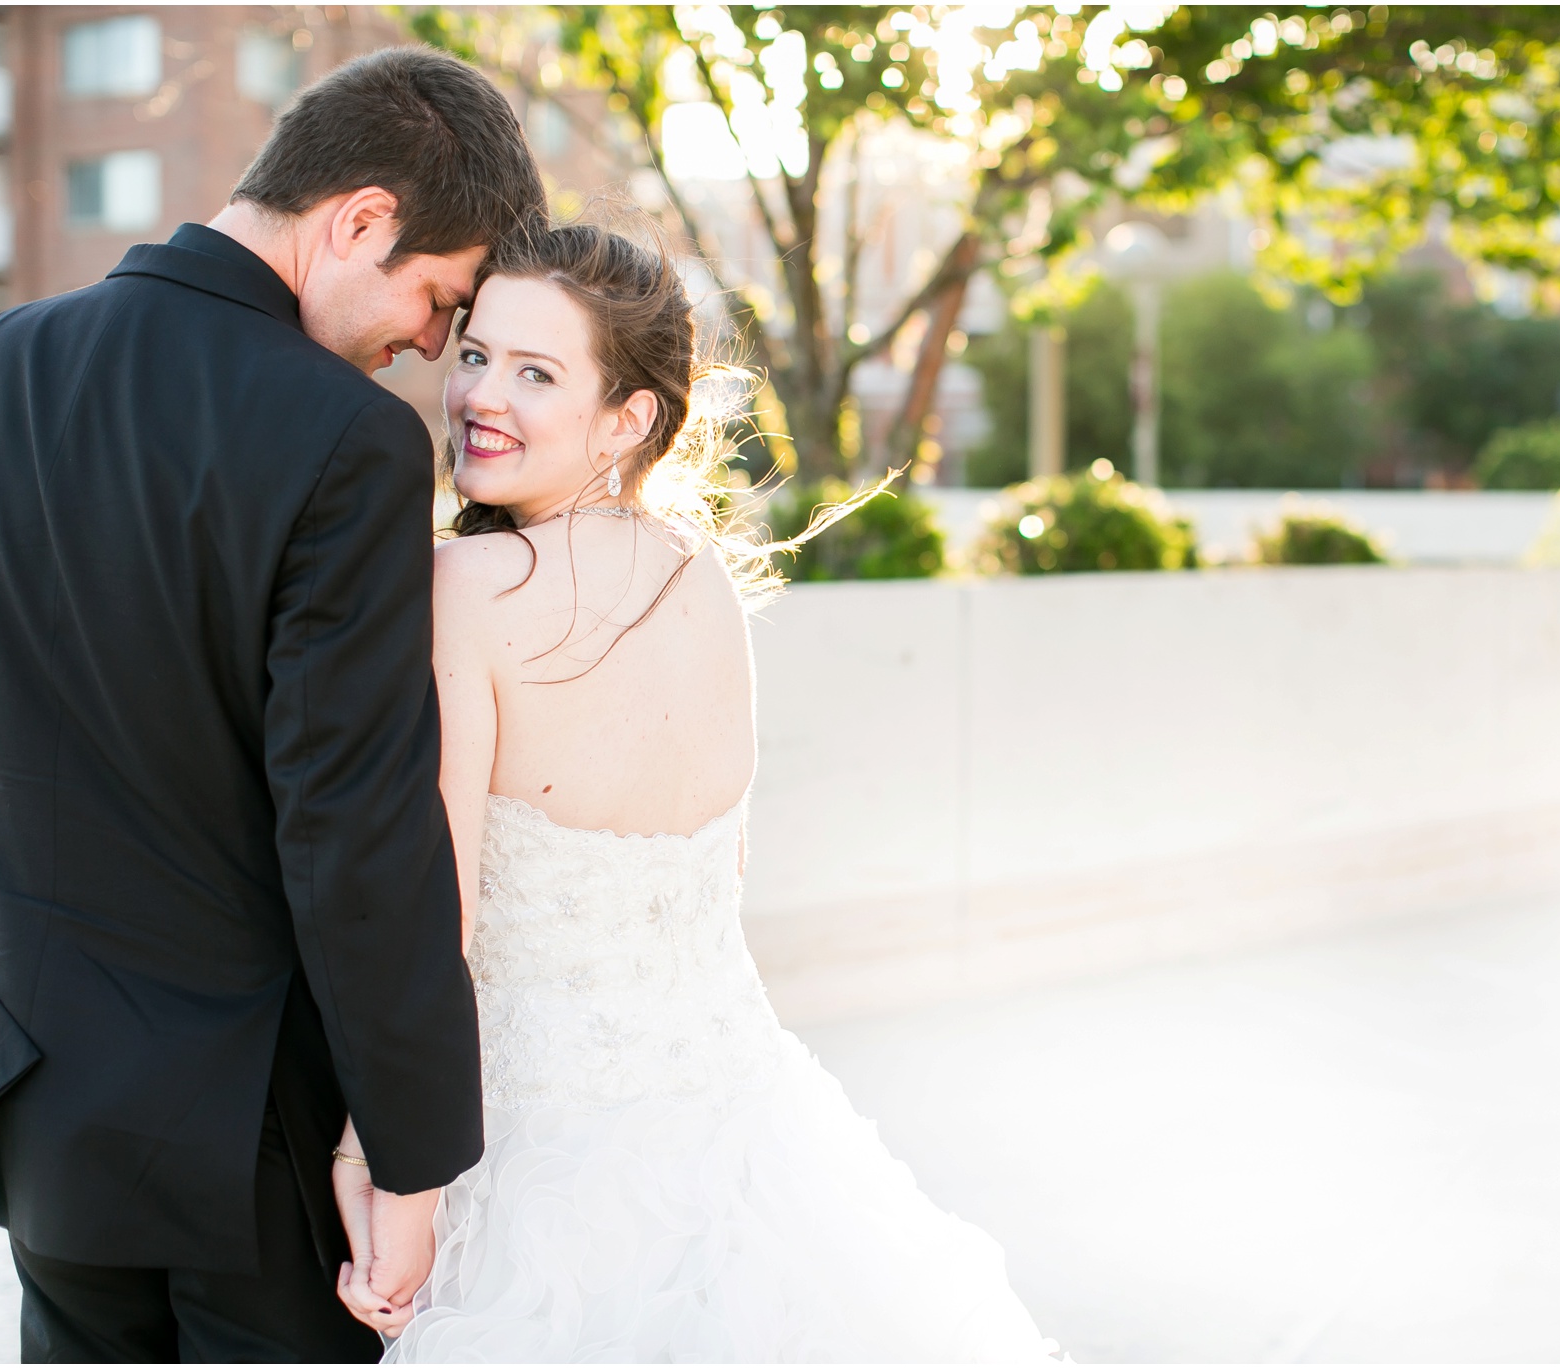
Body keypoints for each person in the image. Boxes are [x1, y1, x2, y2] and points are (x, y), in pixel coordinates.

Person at [0, 47, 544, 1361]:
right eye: (439, 297)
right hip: (253, 1135)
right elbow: (353, 827)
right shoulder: (347, 441)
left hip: (34, 1091)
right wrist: (409, 1161)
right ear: (360, 218)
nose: (430, 345)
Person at [342, 215, 1062, 1361]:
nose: (479, 392)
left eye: (536, 373)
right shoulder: (705, 584)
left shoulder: (464, 586)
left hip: (541, 1169)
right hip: (743, 1142)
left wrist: (386, 1180)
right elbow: (717, 871)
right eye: (475, 352)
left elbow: (438, 925)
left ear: (629, 418)